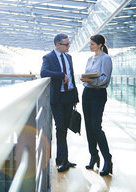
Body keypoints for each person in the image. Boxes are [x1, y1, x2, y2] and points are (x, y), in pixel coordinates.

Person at [40, 33, 79, 172]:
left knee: (64, 128)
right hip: (57, 98)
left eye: (69, 43)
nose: (69, 46)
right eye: (66, 44)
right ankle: (64, 160)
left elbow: (72, 77)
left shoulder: (69, 57)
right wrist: (61, 75)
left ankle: (61, 158)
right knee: (60, 127)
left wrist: (75, 97)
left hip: (69, 96)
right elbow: (43, 72)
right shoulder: (48, 57)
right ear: (57, 45)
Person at [80, 34, 113, 176]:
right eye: (90, 44)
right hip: (87, 93)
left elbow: (105, 79)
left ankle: (107, 159)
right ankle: (94, 155)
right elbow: (87, 76)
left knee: (96, 127)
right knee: (88, 127)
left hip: (98, 95)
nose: (90, 46)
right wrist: (85, 79)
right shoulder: (89, 59)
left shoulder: (106, 58)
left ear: (100, 45)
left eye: (92, 44)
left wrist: (92, 81)